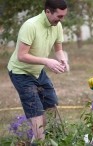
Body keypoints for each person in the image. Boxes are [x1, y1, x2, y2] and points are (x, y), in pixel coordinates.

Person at [7, 0, 68, 142]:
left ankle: (43, 140)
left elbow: (58, 49)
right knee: (36, 112)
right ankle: (40, 141)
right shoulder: (30, 26)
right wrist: (47, 61)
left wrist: (62, 59)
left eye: (63, 16)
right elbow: (21, 56)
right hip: (20, 73)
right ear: (47, 11)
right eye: (59, 16)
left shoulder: (57, 25)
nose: (61, 19)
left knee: (51, 106)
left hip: (38, 72)